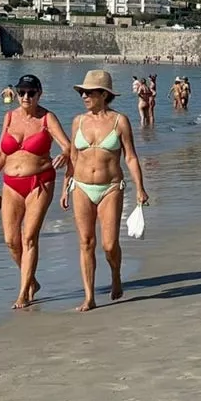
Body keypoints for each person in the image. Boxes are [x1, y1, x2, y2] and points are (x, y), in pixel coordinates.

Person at [61, 70, 149, 311]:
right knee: (86, 242)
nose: (84, 96)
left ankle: (116, 275)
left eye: (89, 92)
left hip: (110, 188)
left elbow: (130, 157)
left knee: (109, 245)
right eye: (82, 92)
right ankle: (89, 297)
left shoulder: (120, 121)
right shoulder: (78, 121)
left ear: (104, 94)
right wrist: (65, 186)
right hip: (80, 187)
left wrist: (140, 187)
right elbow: (73, 156)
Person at [0, 74, 73, 309]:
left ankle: (23, 293)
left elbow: (67, 145)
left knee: (29, 237)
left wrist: (64, 154)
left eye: (31, 93)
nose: (25, 97)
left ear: (39, 94)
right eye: (21, 92)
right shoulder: (9, 117)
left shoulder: (47, 118)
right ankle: (31, 280)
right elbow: (1, 153)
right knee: (11, 241)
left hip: (40, 182)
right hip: (11, 183)